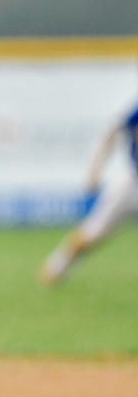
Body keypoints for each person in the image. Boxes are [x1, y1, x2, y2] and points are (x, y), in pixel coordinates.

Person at [39, 99, 138, 285]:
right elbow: (114, 130)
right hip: (132, 183)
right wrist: (96, 169)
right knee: (94, 232)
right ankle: (57, 267)